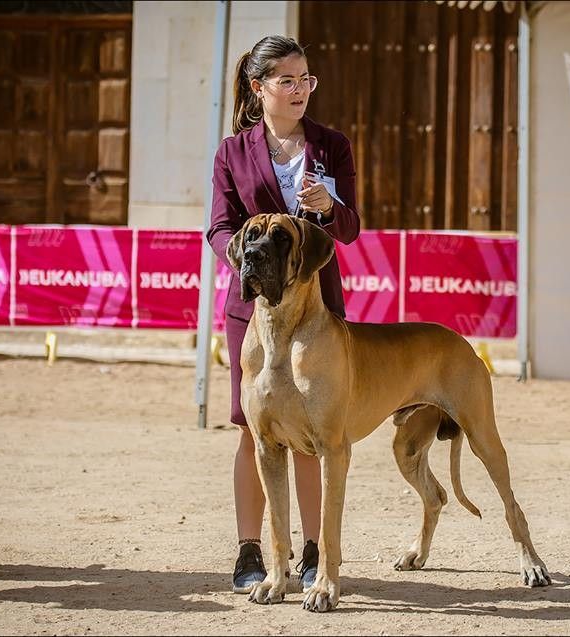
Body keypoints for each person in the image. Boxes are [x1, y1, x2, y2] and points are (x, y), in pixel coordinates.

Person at [206, 35, 361, 594]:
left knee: (315, 433)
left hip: (317, 308)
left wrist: (331, 208)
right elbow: (219, 227)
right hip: (253, 310)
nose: (300, 90)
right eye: (287, 80)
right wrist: (246, 257)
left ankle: (315, 550)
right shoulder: (232, 152)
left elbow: (350, 229)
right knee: (252, 431)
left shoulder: (332, 145)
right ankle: (252, 548)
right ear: (259, 87)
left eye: (306, 79)